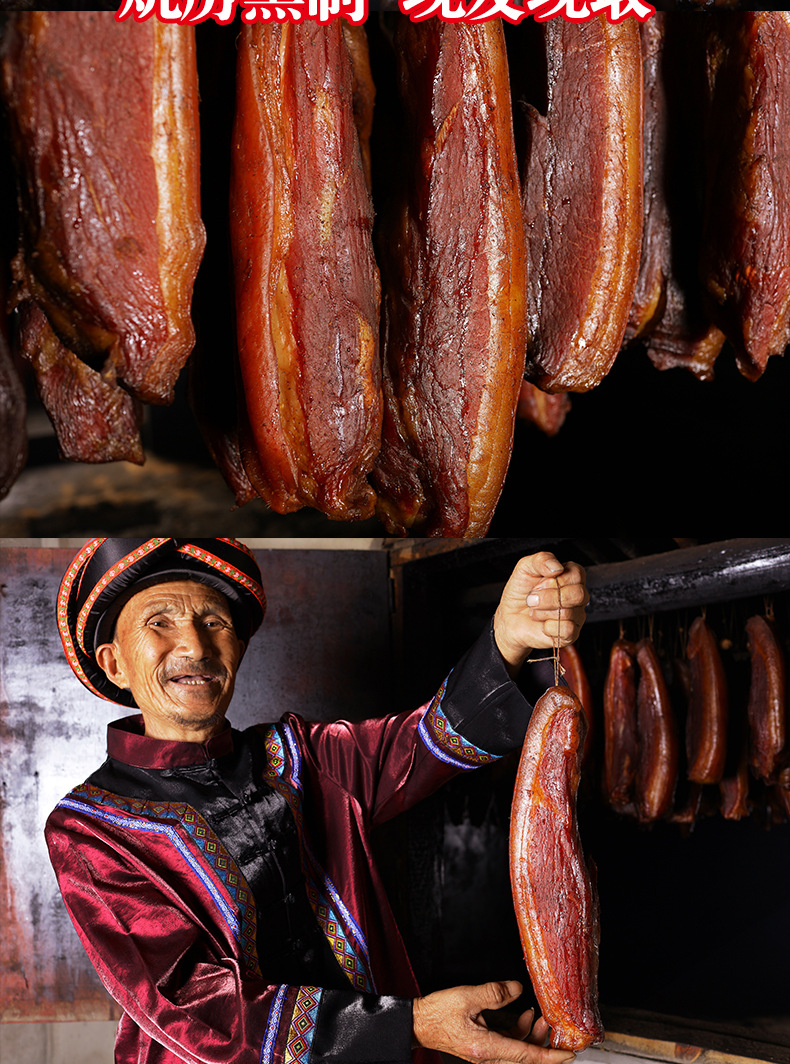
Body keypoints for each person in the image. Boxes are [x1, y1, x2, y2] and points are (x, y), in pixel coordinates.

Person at [47, 537, 589, 1064]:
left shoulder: (299, 754)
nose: (194, 645)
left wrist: (509, 641)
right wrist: (412, 1026)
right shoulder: (90, 828)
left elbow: (424, 741)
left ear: (237, 649)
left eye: (214, 622)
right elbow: (187, 1001)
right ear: (114, 663)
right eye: (159, 622)